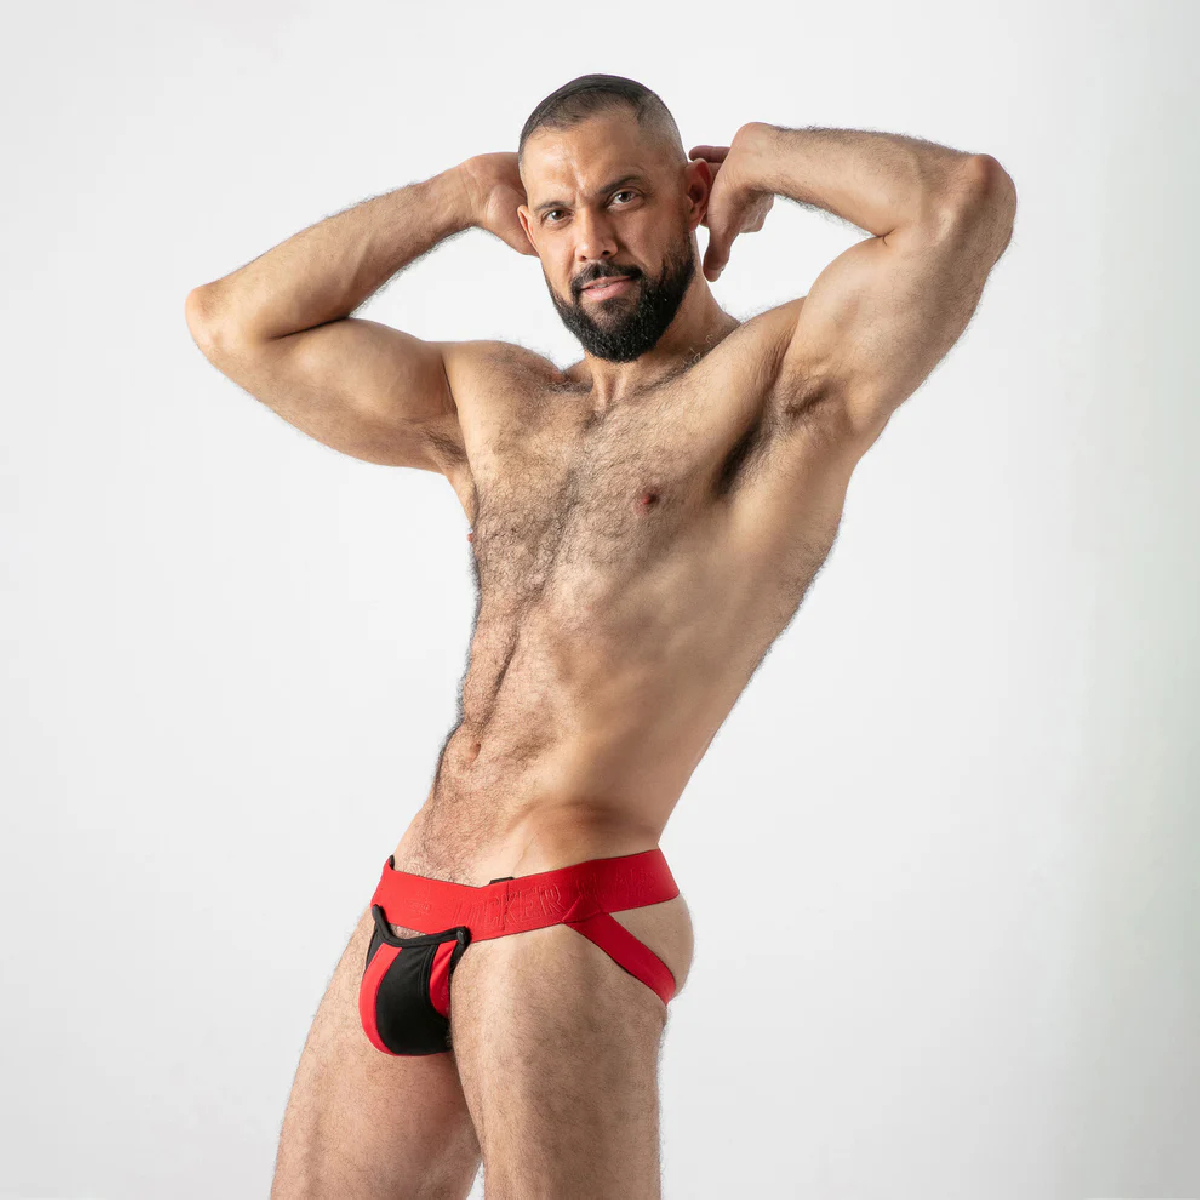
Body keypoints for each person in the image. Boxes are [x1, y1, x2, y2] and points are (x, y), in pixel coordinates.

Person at [185, 72, 1015, 1200]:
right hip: (413, 894)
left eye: (625, 196)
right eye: (558, 213)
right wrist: (447, 197)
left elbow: (962, 204)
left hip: (565, 901)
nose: (594, 242)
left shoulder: (779, 388)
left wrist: (766, 154)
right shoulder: (490, 401)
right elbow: (231, 323)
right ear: (527, 231)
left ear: (689, 198)